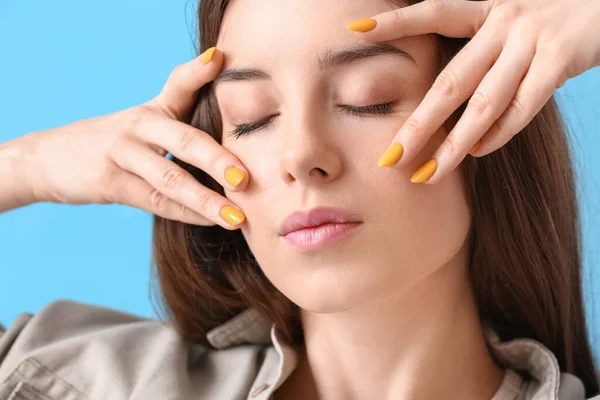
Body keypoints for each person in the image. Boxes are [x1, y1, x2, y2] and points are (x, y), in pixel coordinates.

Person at [1, 0, 600, 398]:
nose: (300, 154)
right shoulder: (98, 384)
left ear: (491, 110)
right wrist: (28, 165)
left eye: (367, 99)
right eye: (253, 118)